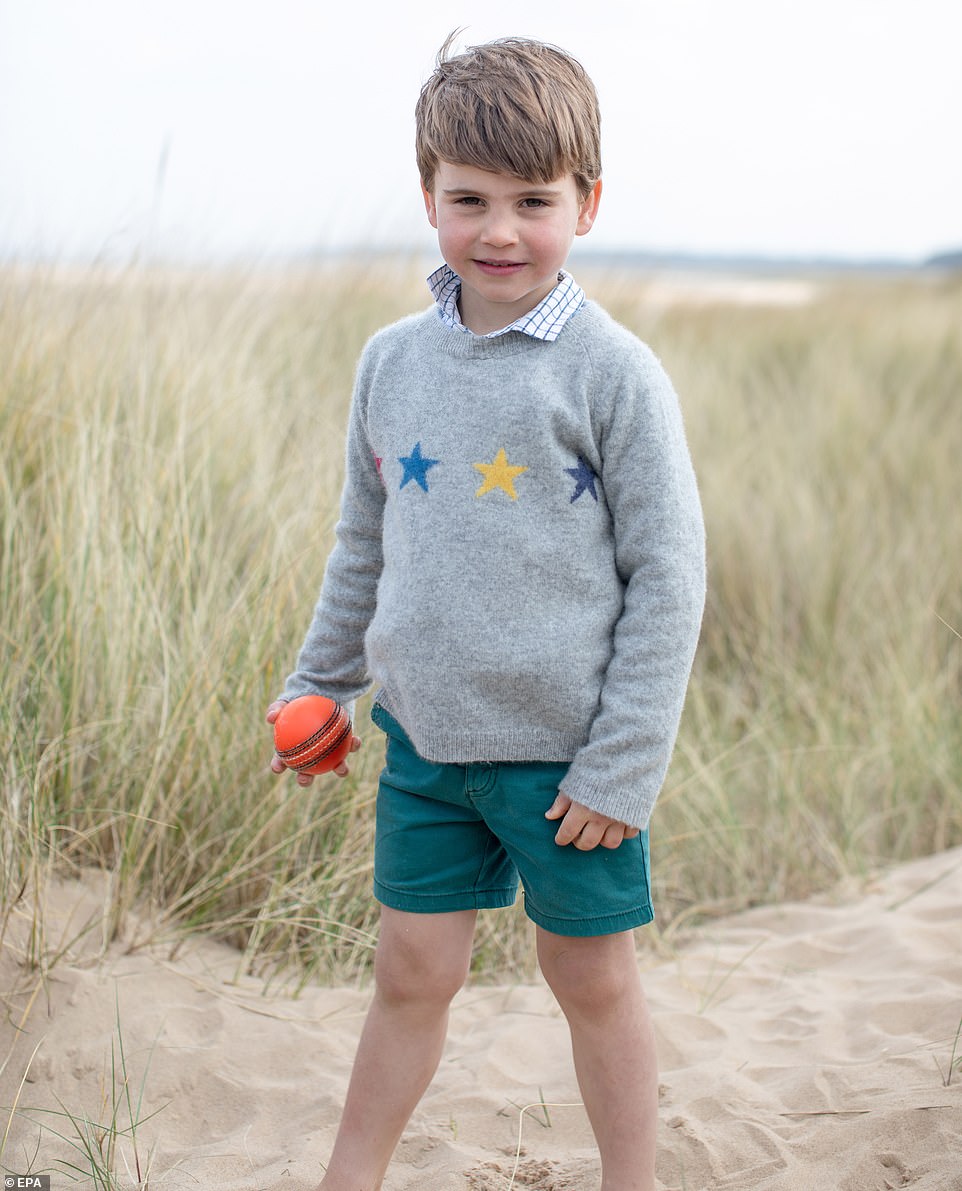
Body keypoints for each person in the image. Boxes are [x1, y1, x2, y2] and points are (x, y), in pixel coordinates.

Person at [267, 33, 705, 1191]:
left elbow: (668, 576)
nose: (499, 230)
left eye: (532, 200)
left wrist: (621, 766)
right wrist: (318, 684)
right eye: (468, 199)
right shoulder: (390, 361)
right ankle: (347, 1176)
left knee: (591, 979)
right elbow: (363, 542)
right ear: (427, 197)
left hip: (567, 769)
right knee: (409, 974)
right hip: (425, 746)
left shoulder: (612, 373)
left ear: (586, 203)